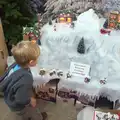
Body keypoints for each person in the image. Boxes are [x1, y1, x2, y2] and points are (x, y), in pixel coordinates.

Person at [1, 41, 47, 120]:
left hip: (9, 97)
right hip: (18, 105)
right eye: (37, 58)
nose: (38, 60)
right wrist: (30, 100)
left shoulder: (15, 64)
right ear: (31, 62)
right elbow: (21, 99)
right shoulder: (26, 77)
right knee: (27, 113)